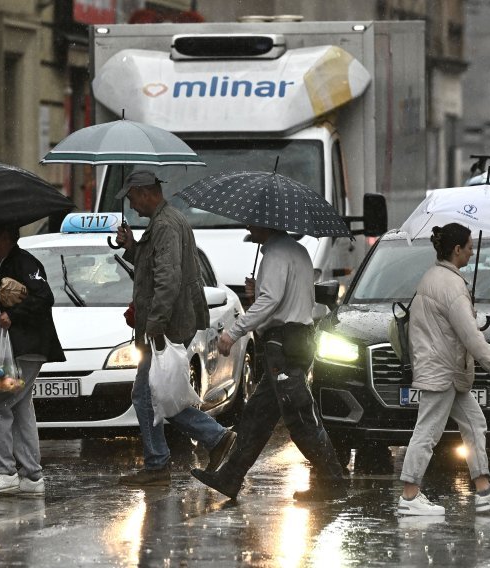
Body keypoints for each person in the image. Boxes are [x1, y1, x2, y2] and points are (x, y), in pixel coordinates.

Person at [190, 225, 348, 501]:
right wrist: (259, 292)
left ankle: (332, 481)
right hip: (295, 340)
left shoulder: (275, 254)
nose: (249, 226)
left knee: (299, 418)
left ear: (267, 224)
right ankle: (230, 477)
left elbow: (272, 300)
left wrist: (234, 331)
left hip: (284, 344)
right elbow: (291, 295)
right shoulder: (296, 251)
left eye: (254, 222)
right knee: (257, 416)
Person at [114, 170, 237, 486]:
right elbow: (155, 266)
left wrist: (154, 325)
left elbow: (167, 279)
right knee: (158, 394)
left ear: (145, 193)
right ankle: (203, 442)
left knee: (149, 396)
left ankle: (195, 446)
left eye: (131, 198)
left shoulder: (166, 225)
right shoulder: (163, 223)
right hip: (165, 325)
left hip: (164, 327)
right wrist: (132, 245)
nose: (130, 205)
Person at [397, 223, 490, 515]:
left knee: (475, 424)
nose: (472, 252)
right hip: (443, 371)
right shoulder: (451, 285)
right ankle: (410, 497)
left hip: (446, 370)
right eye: (470, 247)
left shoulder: (433, 277)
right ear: (457, 249)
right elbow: (469, 334)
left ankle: (484, 489)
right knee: (427, 432)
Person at [0, 224, 65, 495]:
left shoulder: (23, 262)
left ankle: (5, 472)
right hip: (12, 349)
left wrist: (15, 316)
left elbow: (44, 297)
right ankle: (31, 477)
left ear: (5, 237)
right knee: (20, 409)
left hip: (23, 350)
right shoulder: (2, 266)